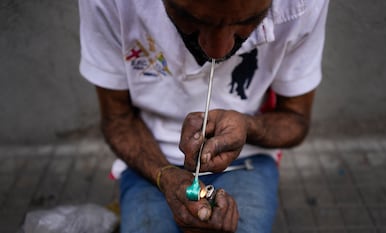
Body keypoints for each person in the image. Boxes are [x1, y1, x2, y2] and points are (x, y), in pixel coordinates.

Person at [78, 0, 329, 232]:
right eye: (190, 18)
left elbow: (296, 119)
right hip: (148, 163)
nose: (217, 52)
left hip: (247, 162)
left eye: (247, 21)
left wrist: (248, 127)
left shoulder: (303, 4)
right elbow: (118, 120)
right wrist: (164, 176)